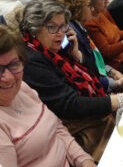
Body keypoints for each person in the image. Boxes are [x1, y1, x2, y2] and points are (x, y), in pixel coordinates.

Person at [21, 0, 123, 161]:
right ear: (34, 29)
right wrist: (119, 100)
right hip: (80, 132)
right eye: (52, 27)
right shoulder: (33, 61)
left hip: (95, 116)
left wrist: (77, 56)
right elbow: (69, 105)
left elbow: (95, 74)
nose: (60, 33)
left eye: (63, 26)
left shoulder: (56, 49)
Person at [0, 25, 97, 167]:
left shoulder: (23, 89)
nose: (8, 78)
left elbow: (56, 128)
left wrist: (84, 160)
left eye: (14, 64)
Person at [53, 0, 123, 87]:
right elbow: (90, 73)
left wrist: (111, 71)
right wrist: (116, 84)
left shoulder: (80, 27)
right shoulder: (73, 34)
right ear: (76, 8)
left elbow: (94, 61)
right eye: (88, 5)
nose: (92, 9)